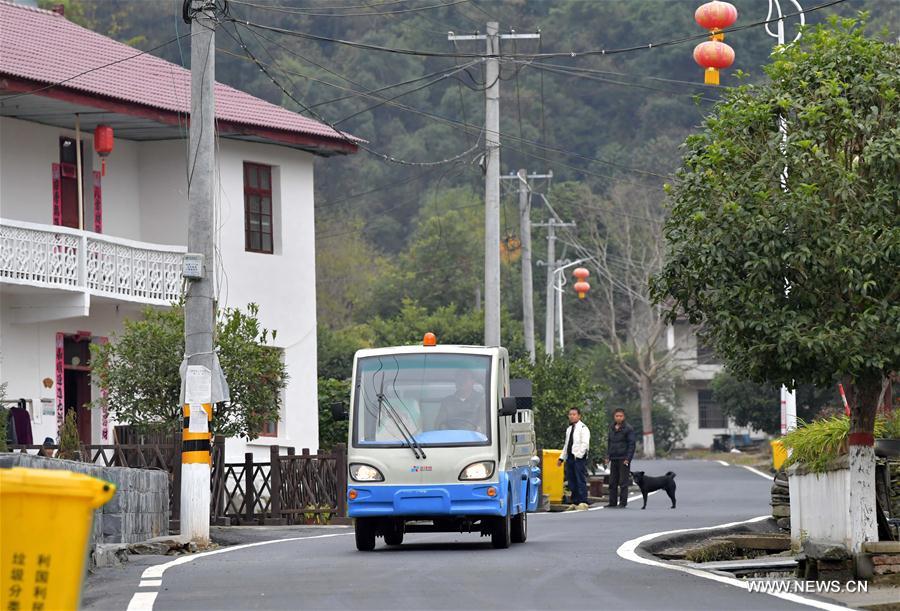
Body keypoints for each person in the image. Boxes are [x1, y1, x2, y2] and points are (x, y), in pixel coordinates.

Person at [558, 407, 590, 509]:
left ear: (579, 416)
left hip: (579, 458)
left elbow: (585, 444)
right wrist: (561, 458)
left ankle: (583, 501)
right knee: (571, 480)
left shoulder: (583, 428)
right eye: (570, 414)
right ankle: (575, 501)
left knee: (580, 479)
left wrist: (579, 455)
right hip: (570, 457)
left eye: (574, 414)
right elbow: (566, 445)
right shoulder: (569, 429)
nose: (572, 416)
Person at [606, 408, 636, 508]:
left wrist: (628, 458)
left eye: (621, 416)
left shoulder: (628, 429)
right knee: (612, 482)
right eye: (617, 416)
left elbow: (632, 445)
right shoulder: (611, 427)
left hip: (623, 458)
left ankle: (623, 503)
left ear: (624, 417)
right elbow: (609, 443)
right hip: (614, 458)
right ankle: (612, 502)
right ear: (614, 417)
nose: (619, 418)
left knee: (623, 482)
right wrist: (607, 456)